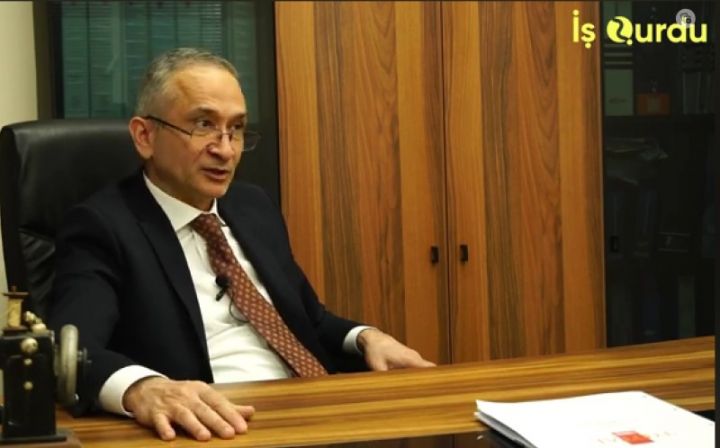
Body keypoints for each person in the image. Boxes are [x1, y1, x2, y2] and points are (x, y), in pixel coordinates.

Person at [48, 48, 434, 442]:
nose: (226, 150)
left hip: (313, 411)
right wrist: (142, 389)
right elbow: (69, 351)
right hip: (217, 426)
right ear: (145, 136)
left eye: (235, 129)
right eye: (203, 125)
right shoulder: (103, 226)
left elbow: (309, 320)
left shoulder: (252, 206)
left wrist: (367, 337)